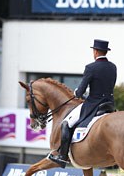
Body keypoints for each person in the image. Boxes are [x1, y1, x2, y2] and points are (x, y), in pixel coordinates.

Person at [49, 39, 117, 168]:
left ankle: (62, 156)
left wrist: (77, 93)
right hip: (109, 104)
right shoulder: (113, 67)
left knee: (66, 123)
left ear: (95, 51)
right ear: (105, 52)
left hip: (93, 105)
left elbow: (80, 92)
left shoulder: (91, 67)